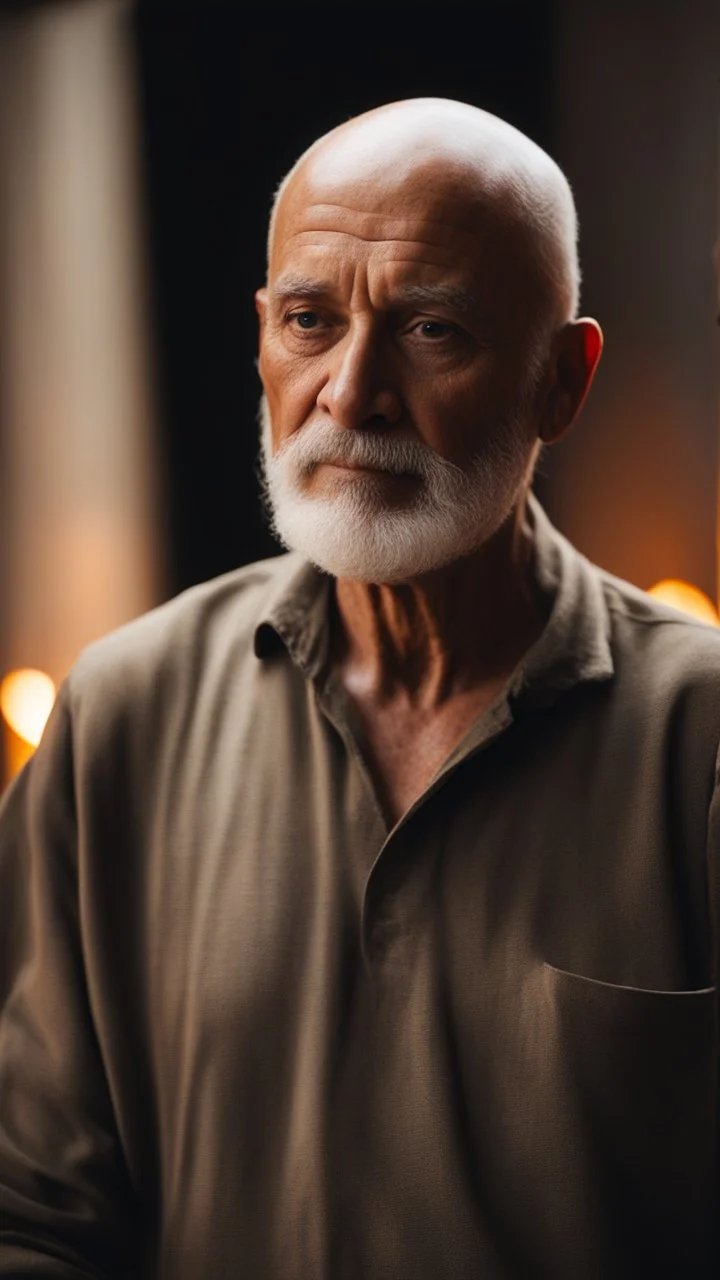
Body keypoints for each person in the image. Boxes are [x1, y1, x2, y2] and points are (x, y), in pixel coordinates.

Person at [0, 97, 717, 1278]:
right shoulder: (120, 715)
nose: (350, 392)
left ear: (561, 380)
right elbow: (32, 1211)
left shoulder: (698, 744)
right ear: (262, 340)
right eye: (310, 321)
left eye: (432, 329)